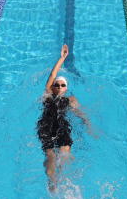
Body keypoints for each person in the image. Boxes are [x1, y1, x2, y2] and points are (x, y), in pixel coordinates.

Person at [36, 44, 92, 190]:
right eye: (57, 85)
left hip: (62, 126)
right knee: (50, 156)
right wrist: (62, 58)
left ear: (66, 88)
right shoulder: (47, 94)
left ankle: (63, 182)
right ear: (53, 87)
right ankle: (52, 183)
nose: (59, 87)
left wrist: (88, 124)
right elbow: (52, 74)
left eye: (62, 85)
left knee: (65, 154)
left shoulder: (70, 99)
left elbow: (79, 113)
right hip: (46, 126)